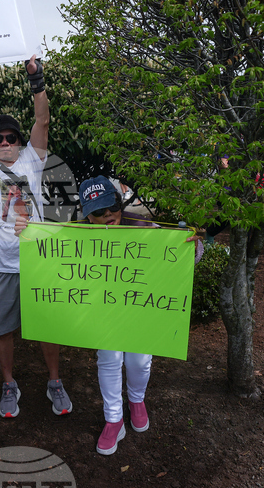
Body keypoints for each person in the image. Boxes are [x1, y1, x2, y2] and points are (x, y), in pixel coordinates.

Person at [0, 55, 72, 419]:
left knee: (47, 327)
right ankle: (9, 383)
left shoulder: (32, 161)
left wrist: (37, 79)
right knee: (2, 331)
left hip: (36, 262)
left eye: (11, 137)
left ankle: (54, 381)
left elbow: (43, 119)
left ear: (20, 142)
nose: (5, 142)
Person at [78, 175, 204, 455]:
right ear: (88, 217)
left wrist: (193, 247)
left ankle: (137, 400)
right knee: (108, 359)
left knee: (139, 360)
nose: (108, 215)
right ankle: (113, 419)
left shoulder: (145, 226)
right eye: (99, 212)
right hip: (104, 310)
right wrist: (25, 233)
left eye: (112, 207)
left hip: (141, 309)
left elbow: (184, 254)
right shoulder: (76, 234)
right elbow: (45, 249)